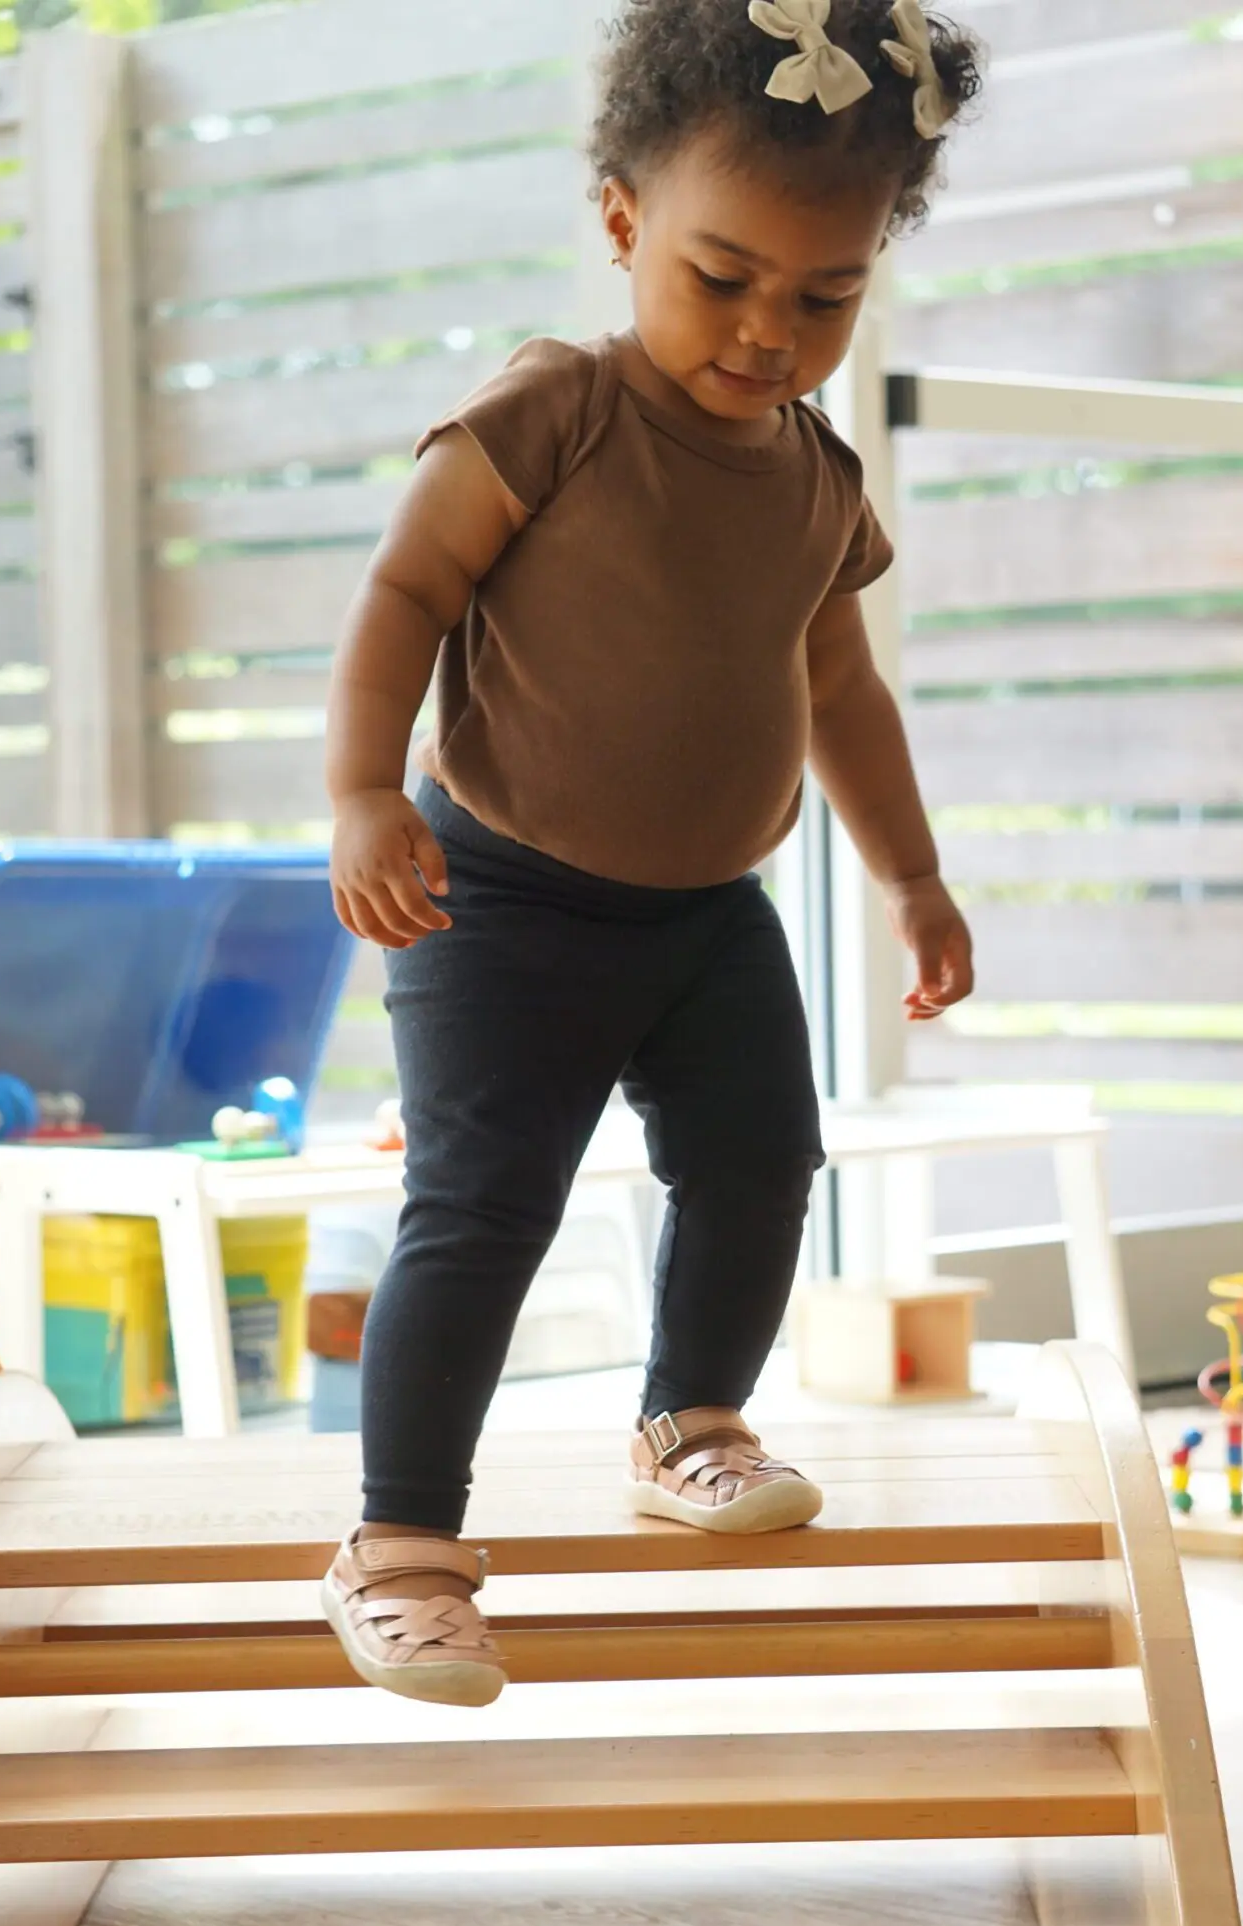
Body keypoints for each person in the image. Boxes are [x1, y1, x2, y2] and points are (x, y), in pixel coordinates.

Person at [322, 0, 982, 1707]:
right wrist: (359, 792)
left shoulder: (817, 481)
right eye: (724, 275)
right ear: (622, 223)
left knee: (764, 1167)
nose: (770, 330)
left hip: (709, 912)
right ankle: (399, 1545)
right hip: (501, 895)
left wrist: (910, 872)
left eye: (824, 296)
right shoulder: (557, 411)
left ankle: (685, 1418)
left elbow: (840, 685)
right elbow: (404, 593)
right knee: (482, 1208)